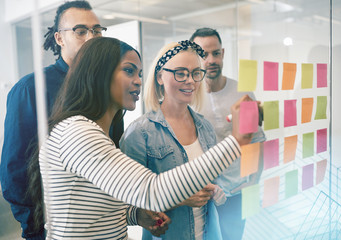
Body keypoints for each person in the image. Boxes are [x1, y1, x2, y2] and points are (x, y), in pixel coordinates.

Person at [31, 36, 252, 239]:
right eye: (128, 71)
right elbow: (150, 191)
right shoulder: (77, 133)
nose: (137, 80)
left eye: (138, 73)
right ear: (99, 74)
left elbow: (102, 207)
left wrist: (136, 215)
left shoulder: (94, 133)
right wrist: (236, 141)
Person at [0, 1, 105, 239]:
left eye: (97, 31)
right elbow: (13, 170)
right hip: (50, 227)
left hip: (99, 222)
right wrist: (35, 227)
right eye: (80, 31)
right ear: (59, 38)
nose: (91, 38)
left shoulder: (105, 88)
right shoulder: (31, 88)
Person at [120, 40, 224, 240]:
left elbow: (212, 179)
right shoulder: (140, 133)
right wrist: (179, 198)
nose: (190, 81)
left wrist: (216, 190)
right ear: (160, 76)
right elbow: (127, 203)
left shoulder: (205, 128)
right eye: (181, 73)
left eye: (195, 73)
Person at [190, 28, 266, 240]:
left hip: (237, 190)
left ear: (223, 53)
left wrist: (253, 183)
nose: (211, 60)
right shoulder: (189, 97)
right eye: (203, 55)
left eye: (215, 53)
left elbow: (256, 139)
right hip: (203, 193)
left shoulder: (242, 92)